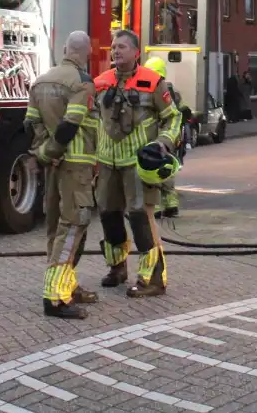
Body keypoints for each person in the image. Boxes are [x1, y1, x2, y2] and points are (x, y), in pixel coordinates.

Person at [93, 31, 182, 298]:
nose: (115, 51)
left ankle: (153, 278)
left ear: (135, 52)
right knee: (108, 213)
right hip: (108, 163)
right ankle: (117, 267)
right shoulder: (101, 83)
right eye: (113, 47)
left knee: (140, 216)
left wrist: (163, 143)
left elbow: (173, 118)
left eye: (121, 47)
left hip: (137, 165)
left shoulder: (153, 83)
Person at [23, 32, 99, 320]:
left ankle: (68, 285)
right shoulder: (82, 82)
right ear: (87, 52)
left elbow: (30, 123)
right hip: (74, 168)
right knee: (71, 228)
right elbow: (71, 124)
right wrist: (52, 151)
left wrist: (42, 152)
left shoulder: (41, 80)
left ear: (65, 49)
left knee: (55, 228)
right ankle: (55, 297)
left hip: (52, 168)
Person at [143, 57, 185, 219]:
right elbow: (179, 110)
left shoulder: (152, 88)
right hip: (170, 136)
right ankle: (171, 204)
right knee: (167, 168)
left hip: (156, 134)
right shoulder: (170, 89)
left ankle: (156, 207)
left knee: (153, 169)